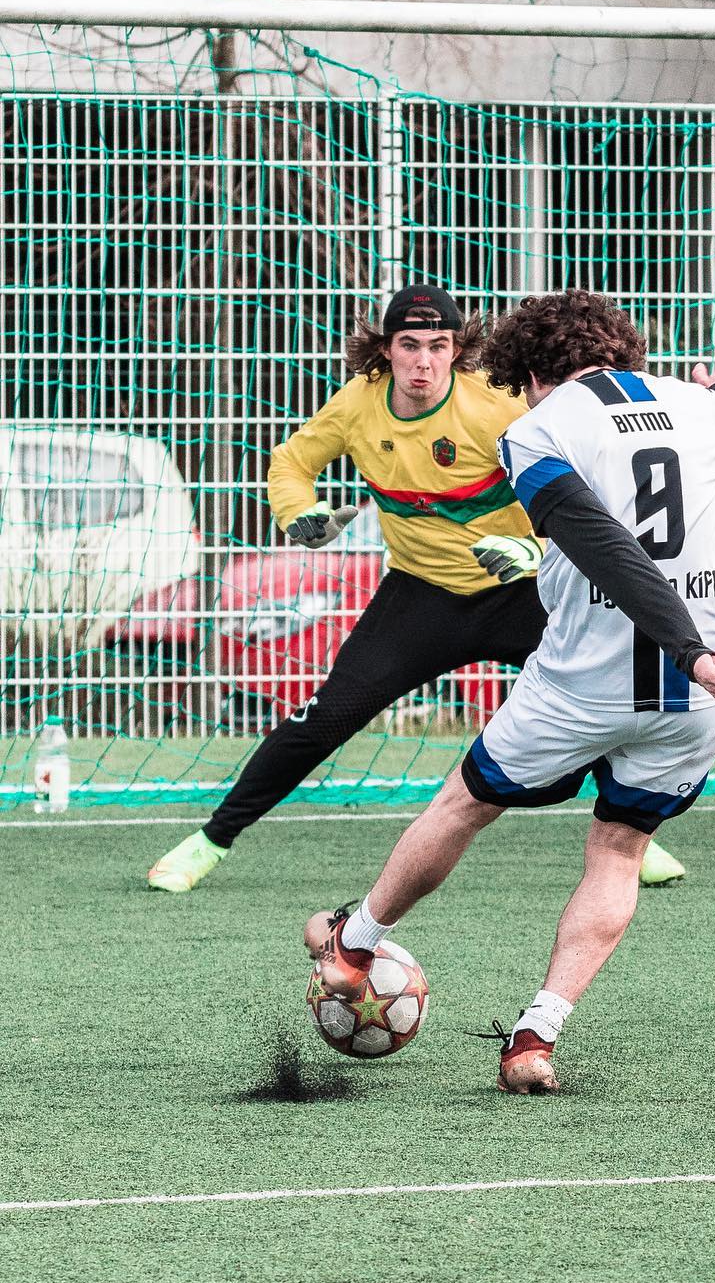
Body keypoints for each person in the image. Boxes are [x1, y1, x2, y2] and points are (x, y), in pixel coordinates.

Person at [304, 289, 715, 1093]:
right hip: (704, 691)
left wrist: (685, 647)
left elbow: (600, 543)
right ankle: (534, 1040)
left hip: (592, 679)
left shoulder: (538, 428)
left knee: (464, 803)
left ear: (527, 374)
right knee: (620, 848)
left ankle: (353, 946)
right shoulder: (696, 406)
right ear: (619, 351)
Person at [146, 283, 687, 892]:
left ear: (458, 350)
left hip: (523, 591)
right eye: (409, 345)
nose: (423, 362)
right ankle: (209, 841)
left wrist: (536, 549)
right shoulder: (358, 405)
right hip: (420, 598)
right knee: (324, 719)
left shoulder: (499, 404)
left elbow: (591, 487)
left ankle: (630, 839)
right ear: (386, 349)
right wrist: (297, 512)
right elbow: (291, 462)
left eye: (438, 345)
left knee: (598, 702)